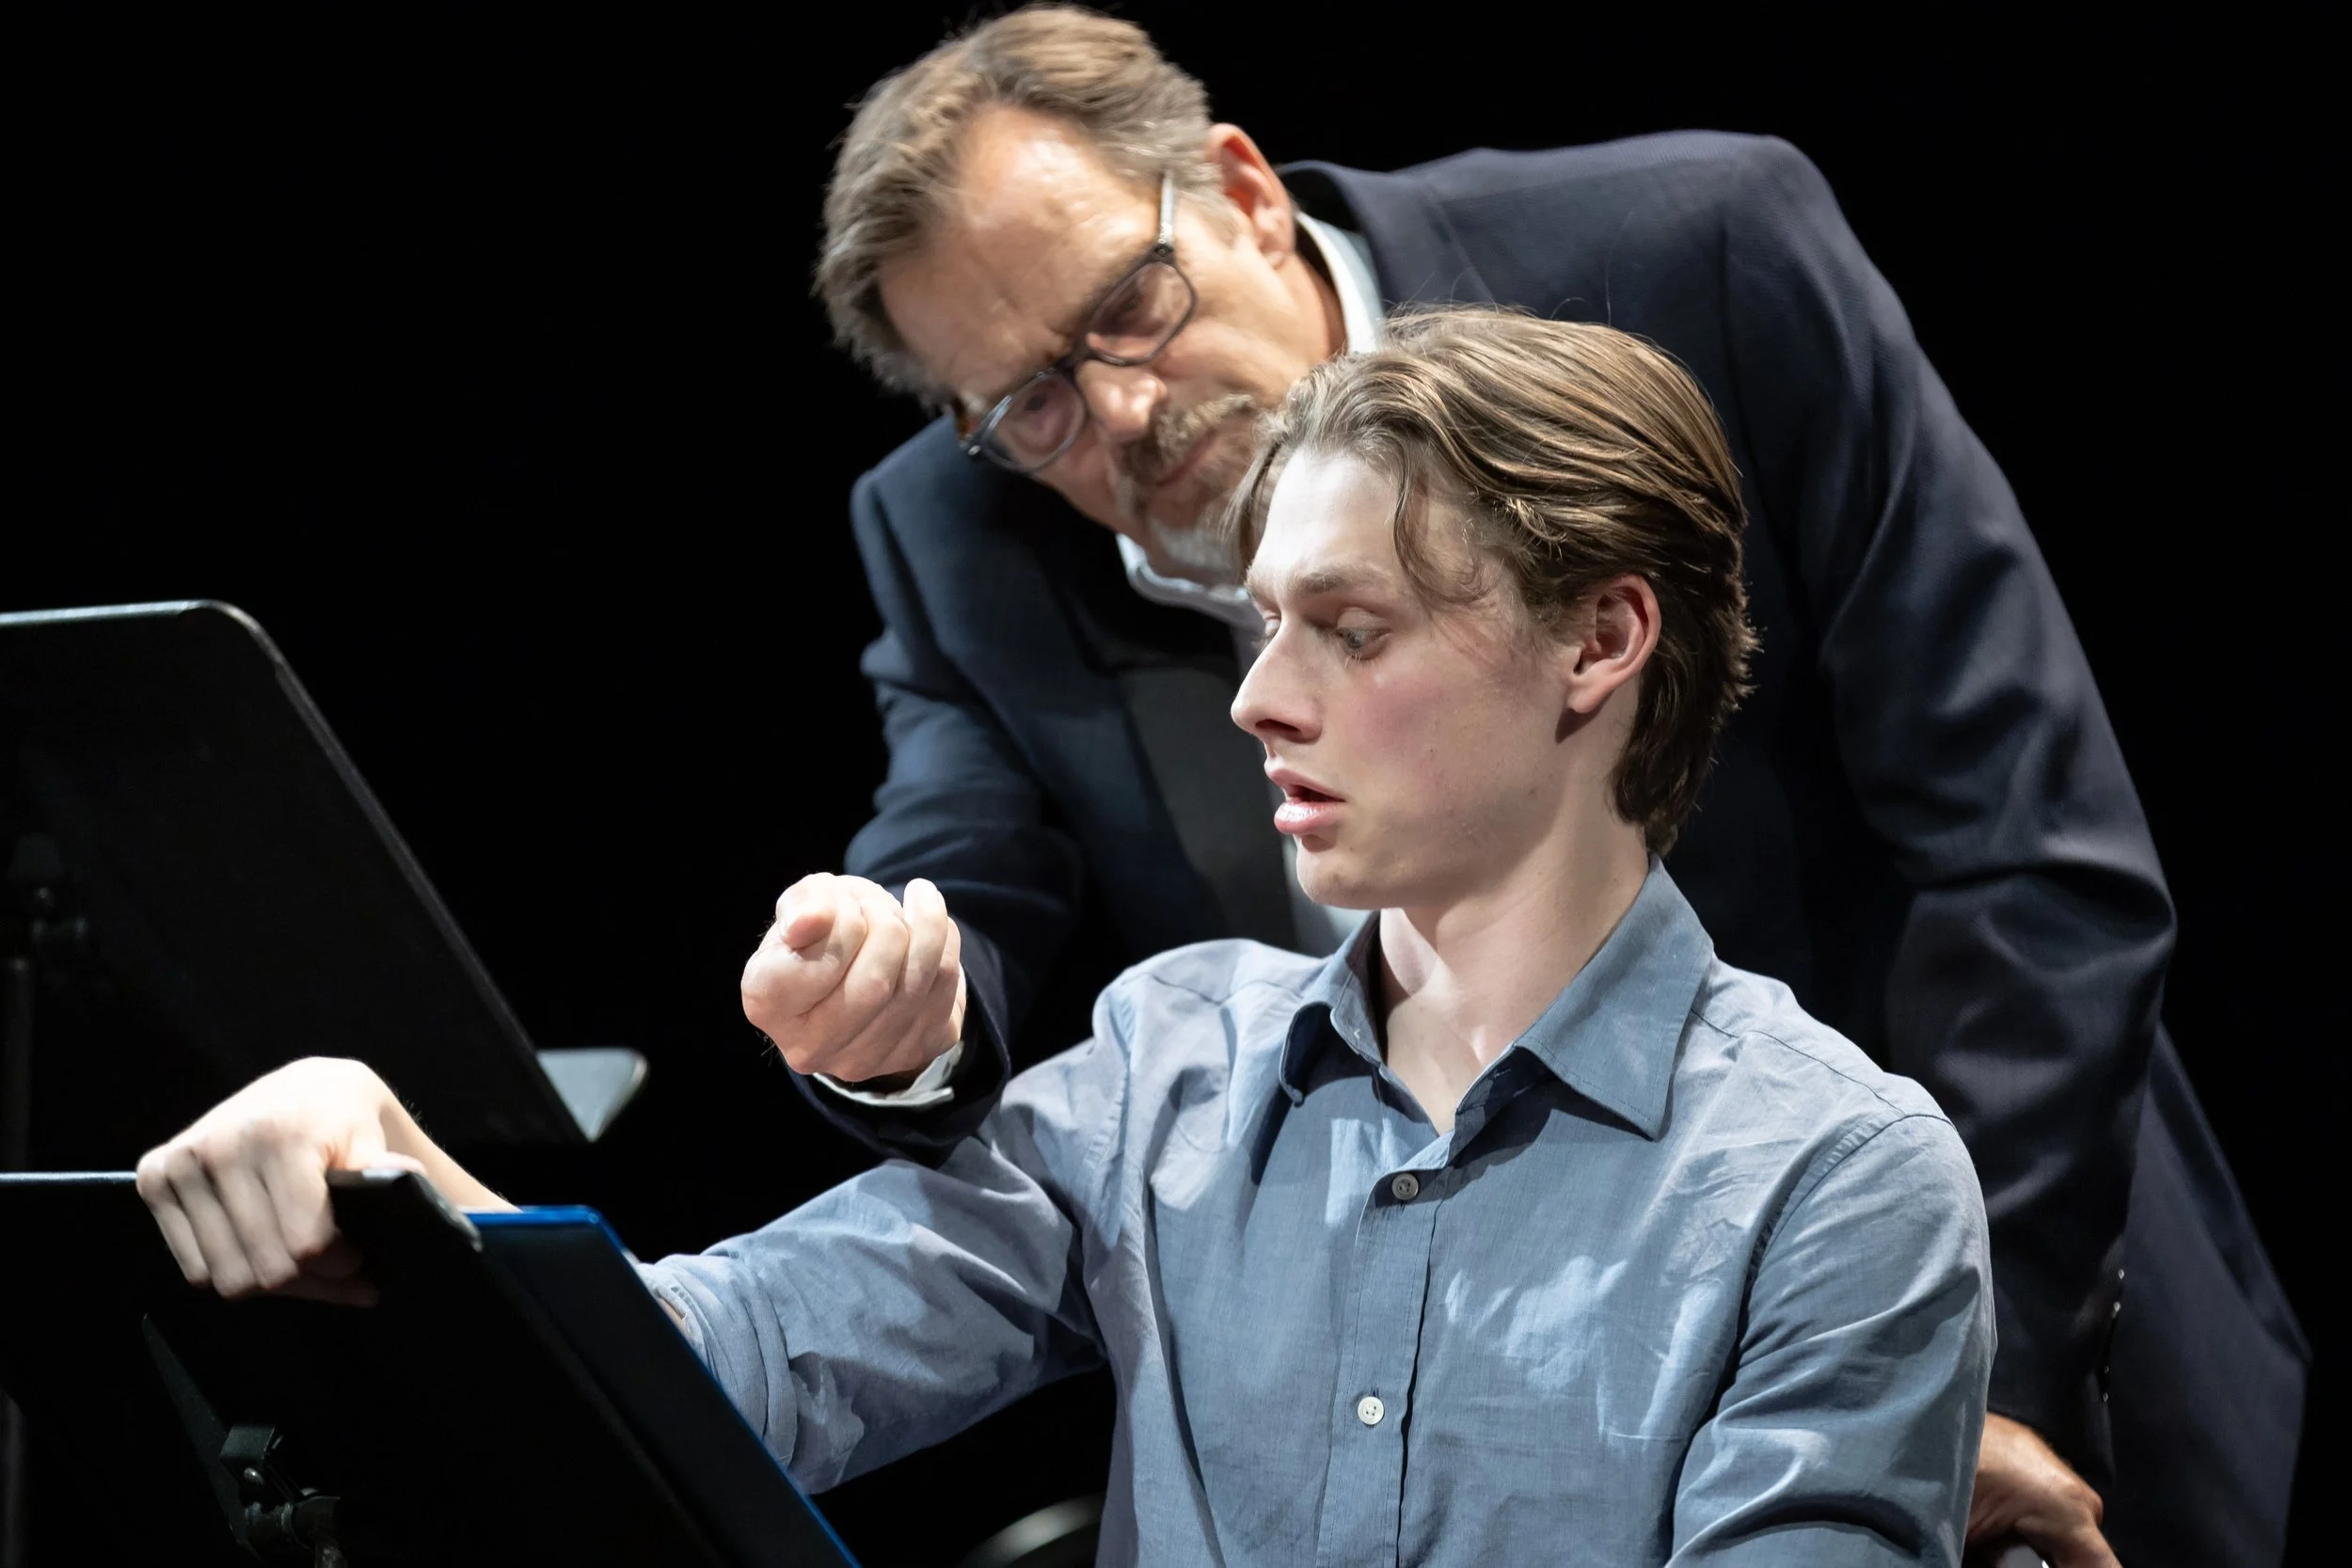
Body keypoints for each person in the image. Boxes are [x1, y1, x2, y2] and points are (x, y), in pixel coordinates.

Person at [750, 9, 2303, 1565]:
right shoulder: (970, 560)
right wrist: (881, 990)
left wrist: (1963, 1364)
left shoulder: (1696, 256)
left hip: (1988, 1283)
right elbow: (951, 877)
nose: (1124, 414)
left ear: (1239, 189)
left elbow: (2028, 848)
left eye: (1130, 309)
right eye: (1030, 406)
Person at [141, 311, 1994, 1565]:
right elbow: (732, 1349)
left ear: (1598, 642)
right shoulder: (1165, 1065)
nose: (1261, 695)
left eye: (1347, 625)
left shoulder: (1830, 1179)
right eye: (1260, 623)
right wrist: (394, 1161)